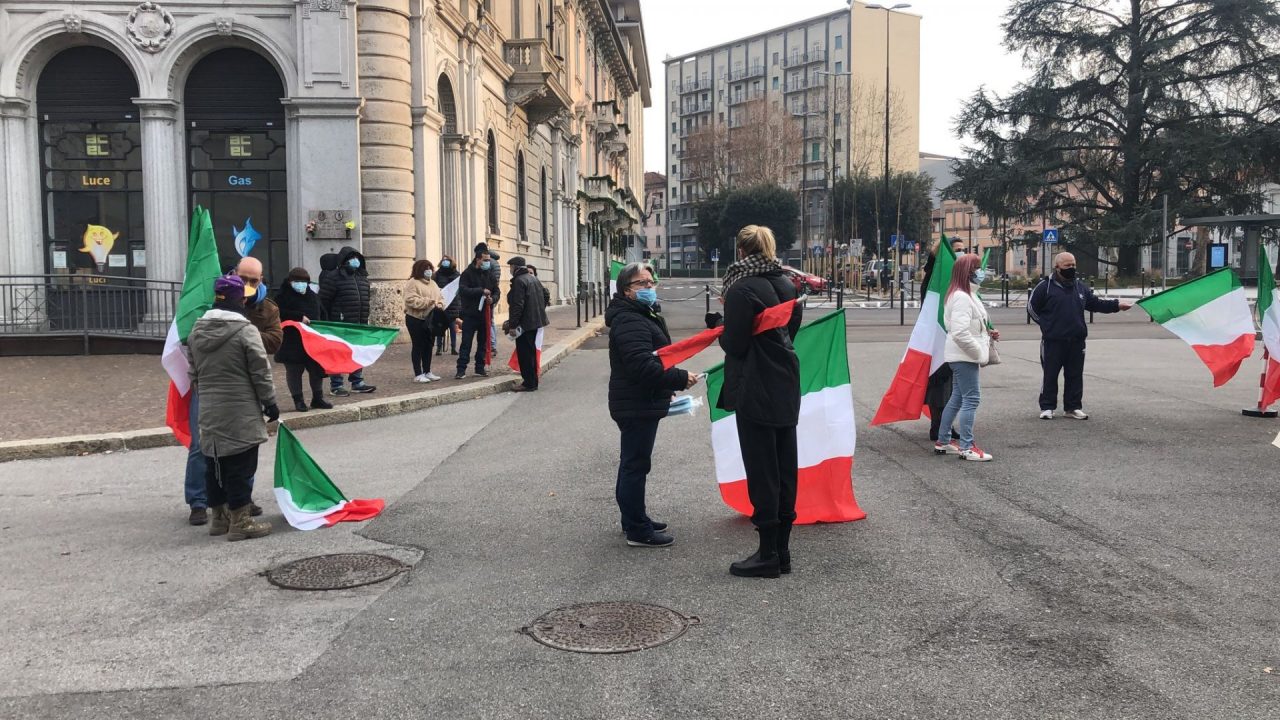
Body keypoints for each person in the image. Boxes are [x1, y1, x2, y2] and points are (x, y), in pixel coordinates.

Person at [715, 226, 804, 579]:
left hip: (755, 385)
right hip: (785, 382)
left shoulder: (741, 288)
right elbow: (789, 330)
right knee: (784, 468)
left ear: (740, 250)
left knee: (762, 469)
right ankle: (782, 552)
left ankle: (767, 554)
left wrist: (722, 326)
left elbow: (735, 345)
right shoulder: (786, 283)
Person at [606, 262, 698, 548]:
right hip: (636, 401)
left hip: (639, 399)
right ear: (626, 291)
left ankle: (633, 517)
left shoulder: (639, 313)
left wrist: (667, 385)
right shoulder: (631, 319)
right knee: (635, 464)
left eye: (650, 282)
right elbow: (643, 366)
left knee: (632, 463)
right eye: (640, 284)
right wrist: (680, 378)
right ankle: (637, 529)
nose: (648, 287)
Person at [187, 275, 277, 541]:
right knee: (241, 463)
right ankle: (241, 521)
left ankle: (219, 518)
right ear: (241, 299)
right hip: (241, 408)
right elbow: (260, 370)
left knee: (214, 463)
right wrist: (270, 401)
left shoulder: (196, 330)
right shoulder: (245, 330)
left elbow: (193, 372)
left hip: (210, 408)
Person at [1030, 251, 1132, 419]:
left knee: (1075, 375)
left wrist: (1117, 305)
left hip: (1076, 340)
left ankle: (1073, 407)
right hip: (1053, 340)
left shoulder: (1080, 287)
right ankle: (1047, 407)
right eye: (1067, 265)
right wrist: (1047, 325)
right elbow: (1032, 308)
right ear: (1057, 267)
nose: (1071, 268)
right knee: (1050, 374)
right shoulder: (1045, 287)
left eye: (1073, 265)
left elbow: (1095, 303)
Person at [935, 253, 998, 462]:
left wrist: (987, 333)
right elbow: (960, 332)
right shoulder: (962, 297)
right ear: (968, 272)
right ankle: (967, 446)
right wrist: (978, 353)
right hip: (964, 356)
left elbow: (968, 326)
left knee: (958, 397)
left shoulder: (964, 294)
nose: (982, 272)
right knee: (972, 398)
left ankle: (943, 440)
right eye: (978, 268)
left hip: (960, 354)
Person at [919, 238, 962, 446]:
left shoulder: (958, 279)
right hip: (938, 336)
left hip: (955, 335)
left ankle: (945, 424)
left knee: (952, 384)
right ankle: (938, 425)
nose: (960, 255)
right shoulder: (934, 278)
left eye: (963, 251)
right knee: (939, 382)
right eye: (957, 251)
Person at [320, 245, 376, 395]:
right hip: (339, 324)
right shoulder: (333, 277)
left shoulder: (363, 278)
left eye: (357, 258)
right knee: (337, 353)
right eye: (351, 258)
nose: (355, 261)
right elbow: (323, 301)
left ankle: (357, 382)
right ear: (344, 260)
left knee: (357, 353)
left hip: (359, 323)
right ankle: (336, 385)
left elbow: (366, 300)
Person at [274, 267, 332, 412]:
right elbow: (278, 313)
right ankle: (298, 400)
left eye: (304, 281)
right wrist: (298, 317)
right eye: (297, 281)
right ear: (290, 281)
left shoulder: (312, 295)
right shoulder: (281, 296)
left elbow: (322, 312)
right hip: (292, 342)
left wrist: (325, 328)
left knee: (316, 370)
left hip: (313, 342)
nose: (301, 284)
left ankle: (317, 398)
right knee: (294, 371)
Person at [504, 256, 550, 392]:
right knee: (530, 353)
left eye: (511, 267)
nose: (510, 270)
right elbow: (543, 296)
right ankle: (532, 381)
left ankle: (528, 383)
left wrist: (512, 325)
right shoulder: (533, 279)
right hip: (535, 321)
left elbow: (517, 305)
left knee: (525, 354)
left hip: (525, 323)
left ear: (515, 267)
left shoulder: (519, 281)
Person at [455, 243, 498, 379]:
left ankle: (480, 368)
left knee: (483, 343)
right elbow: (463, 290)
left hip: (485, 314)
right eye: (485, 260)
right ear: (478, 259)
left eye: (488, 260)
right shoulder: (467, 274)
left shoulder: (489, 274)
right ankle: (461, 369)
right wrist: (480, 291)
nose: (487, 262)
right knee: (466, 343)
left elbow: (497, 291)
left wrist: (493, 299)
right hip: (470, 314)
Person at [404, 259, 446, 383]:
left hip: (430, 319)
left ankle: (427, 371)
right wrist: (428, 302)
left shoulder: (433, 283)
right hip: (415, 319)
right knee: (418, 345)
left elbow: (441, 297)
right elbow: (410, 300)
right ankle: (418, 373)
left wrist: (440, 304)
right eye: (426, 268)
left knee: (429, 345)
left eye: (430, 268)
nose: (428, 271)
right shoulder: (413, 282)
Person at [236, 257, 283, 357]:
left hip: (251, 366)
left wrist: (243, 332)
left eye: (253, 281)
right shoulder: (216, 298)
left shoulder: (269, 308)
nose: (247, 285)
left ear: (260, 280)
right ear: (235, 274)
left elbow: (274, 342)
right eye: (242, 279)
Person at [434, 254, 460, 356]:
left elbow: (458, 291)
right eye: (443, 260)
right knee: (439, 328)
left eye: (447, 260)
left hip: (452, 305)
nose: (445, 262)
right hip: (441, 304)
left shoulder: (456, 275)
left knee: (452, 327)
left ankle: (453, 347)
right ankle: (439, 348)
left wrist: (458, 307)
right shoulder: (437, 275)